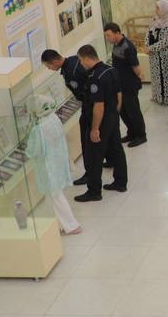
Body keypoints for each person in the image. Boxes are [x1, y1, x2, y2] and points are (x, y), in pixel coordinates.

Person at [73, 44, 127, 202]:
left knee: (94, 156)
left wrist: (95, 128)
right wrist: (115, 113)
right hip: (112, 116)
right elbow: (119, 95)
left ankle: (94, 191)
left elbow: (98, 105)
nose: (81, 64)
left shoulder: (95, 77)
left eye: (81, 61)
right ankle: (120, 182)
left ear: (86, 58)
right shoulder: (111, 70)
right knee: (117, 150)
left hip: (101, 120)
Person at [25, 94, 80, 235]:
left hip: (48, 167)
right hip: (58, 162)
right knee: (53, 196)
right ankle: (59, 225)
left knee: (56, 197)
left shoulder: (39, 129)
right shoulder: (53, 118)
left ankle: (72, 225)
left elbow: (32, 151)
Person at [41, 48, 88, 176]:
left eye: (48, 66)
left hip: (90, 104)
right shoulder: (73, 60)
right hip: (89, 103)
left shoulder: (70, 72)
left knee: (87, 141)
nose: (49, 69)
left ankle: (90, 174)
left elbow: (84, 89)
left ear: (54, 62)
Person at [103, 22, 146, 147]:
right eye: (106, 36)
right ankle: (131, 132)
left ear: (117, 33)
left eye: (109, 35)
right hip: (120, 85)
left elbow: (135, 66)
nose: (107, 38)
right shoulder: (116, 44)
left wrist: (140, 75)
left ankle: (141, 135)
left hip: (129, 85)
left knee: (133, 111)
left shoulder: (127, 46)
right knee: (123, 111)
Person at [146, 0, 168, 106]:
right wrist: (147, 46)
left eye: (158, 8)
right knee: (156, 76)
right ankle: (157, 96)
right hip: (154, 56)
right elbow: (148, 33)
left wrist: (151, 48)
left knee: (165, 76)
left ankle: (166, 98)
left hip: (164, 56)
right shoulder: (155, 21)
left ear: (164, 9)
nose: (156, 10)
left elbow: (166, 40)